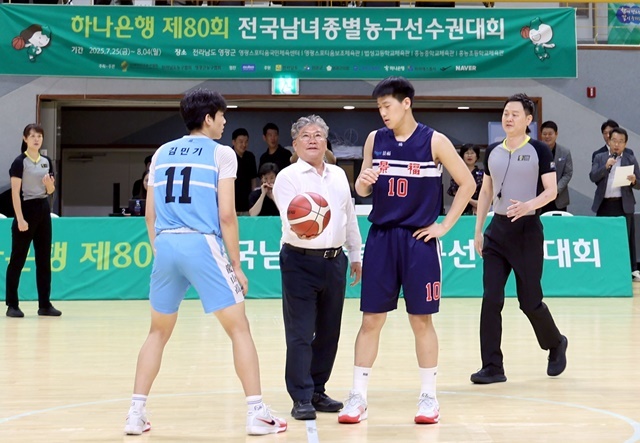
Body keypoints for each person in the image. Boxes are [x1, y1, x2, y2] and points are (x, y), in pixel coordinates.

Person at [123, 89, 286, 436]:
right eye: (222, 115)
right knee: (239, 328)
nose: (225, 121)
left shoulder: (161, 152)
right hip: (201, 243)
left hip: (166, 243)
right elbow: (227, 215)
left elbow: (150, 214)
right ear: (208, 118)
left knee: (157, 332)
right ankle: (256, 412)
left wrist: (160, 249)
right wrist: (236, 265)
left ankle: (135, 413)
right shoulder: (221, 153)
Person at [338, 77, 475, 425]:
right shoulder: (375, 139)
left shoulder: (435, 141)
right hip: (381, 238)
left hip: (419, 240)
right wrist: (362, 184)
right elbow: (363, 189)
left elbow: (467, 183)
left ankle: (429, 397)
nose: (382, 113)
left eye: (387, 106)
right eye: (379, 107)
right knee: (371, 319)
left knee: (421, 320)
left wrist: (444, 226)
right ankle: (358, 397)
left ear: (406, 103)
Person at [471, 93, 568, 385]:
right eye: (505, 113)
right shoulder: (492, 151)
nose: (508, 118)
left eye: (515, 114)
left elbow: (551, 191)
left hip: (527, 232)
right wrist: (478, 229)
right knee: (491, 299)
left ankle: (556, 343)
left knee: (530, 301)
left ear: (528, 120)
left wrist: (529, 206)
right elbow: (486, 191)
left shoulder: (539, 150)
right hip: (497, 232)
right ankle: (492, 366)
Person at [272, 115, 362, 421]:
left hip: (335, 261)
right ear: (295, 144)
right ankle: (300, 396)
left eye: (318, 135)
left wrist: (355, 254)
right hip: (299, 261)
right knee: (300, 332)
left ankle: (317, 390)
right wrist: (309, 225)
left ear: (326, 143)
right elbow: (291, 219)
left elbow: (349, 215)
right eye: (306, 136)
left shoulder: (338, 175)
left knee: (328, 332)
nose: (312, 140)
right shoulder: (287, 177)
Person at [5, 123, 61, 318]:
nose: (37, 139)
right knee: (18, 259)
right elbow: (14, 193)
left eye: (39, 136)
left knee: (44, 259)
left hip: (43, 209)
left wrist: (49, 185)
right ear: (25, 139)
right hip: (25, 209)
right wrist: (20, 219)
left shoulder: (46, 161)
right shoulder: (19, 162)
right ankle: (12, 304)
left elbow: (51, 190)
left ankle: (44, 304)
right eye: (33, 136)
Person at [590, 127, 640, 282]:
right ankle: (604, 269)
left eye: (621, 142)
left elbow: (639, 183)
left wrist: (634, 181)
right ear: (609, 141)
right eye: (614, 141)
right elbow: (593, 177)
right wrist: (605, 166)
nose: (617, 145)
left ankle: (627, 271)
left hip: (623, 204)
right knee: (603, 238)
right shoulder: (600, 157)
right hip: (605, 204)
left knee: (625, 239)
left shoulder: (630, 159)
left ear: (625, 144)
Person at [539, 121, 573, 213]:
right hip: (540, 197)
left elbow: (568, 174)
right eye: (544, 134)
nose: (547, 136)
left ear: (556, 134)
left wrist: (555, 190)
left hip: (559, 198)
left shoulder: (565, 152)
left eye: (550, 134)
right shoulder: (536, 151)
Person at [447, 144, 484, 215]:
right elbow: (455, 191)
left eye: (472, 153)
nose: (469, 155)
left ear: (477, 156)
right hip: (459, 208)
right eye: (467, 153)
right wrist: (472, 201)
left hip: (478, 210)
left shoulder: (482, 173)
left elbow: (485, 192)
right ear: (462, 156)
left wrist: (479, 204)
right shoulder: (457, 172)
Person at [231, 128, 258, 215]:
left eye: (246, 142)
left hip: (247, 202)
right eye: (241, 142)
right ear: (234, 142)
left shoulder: (250, 157)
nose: (244, 144)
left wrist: (253, 197)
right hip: (232, 202)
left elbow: (253, 179)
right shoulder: (228, 156)